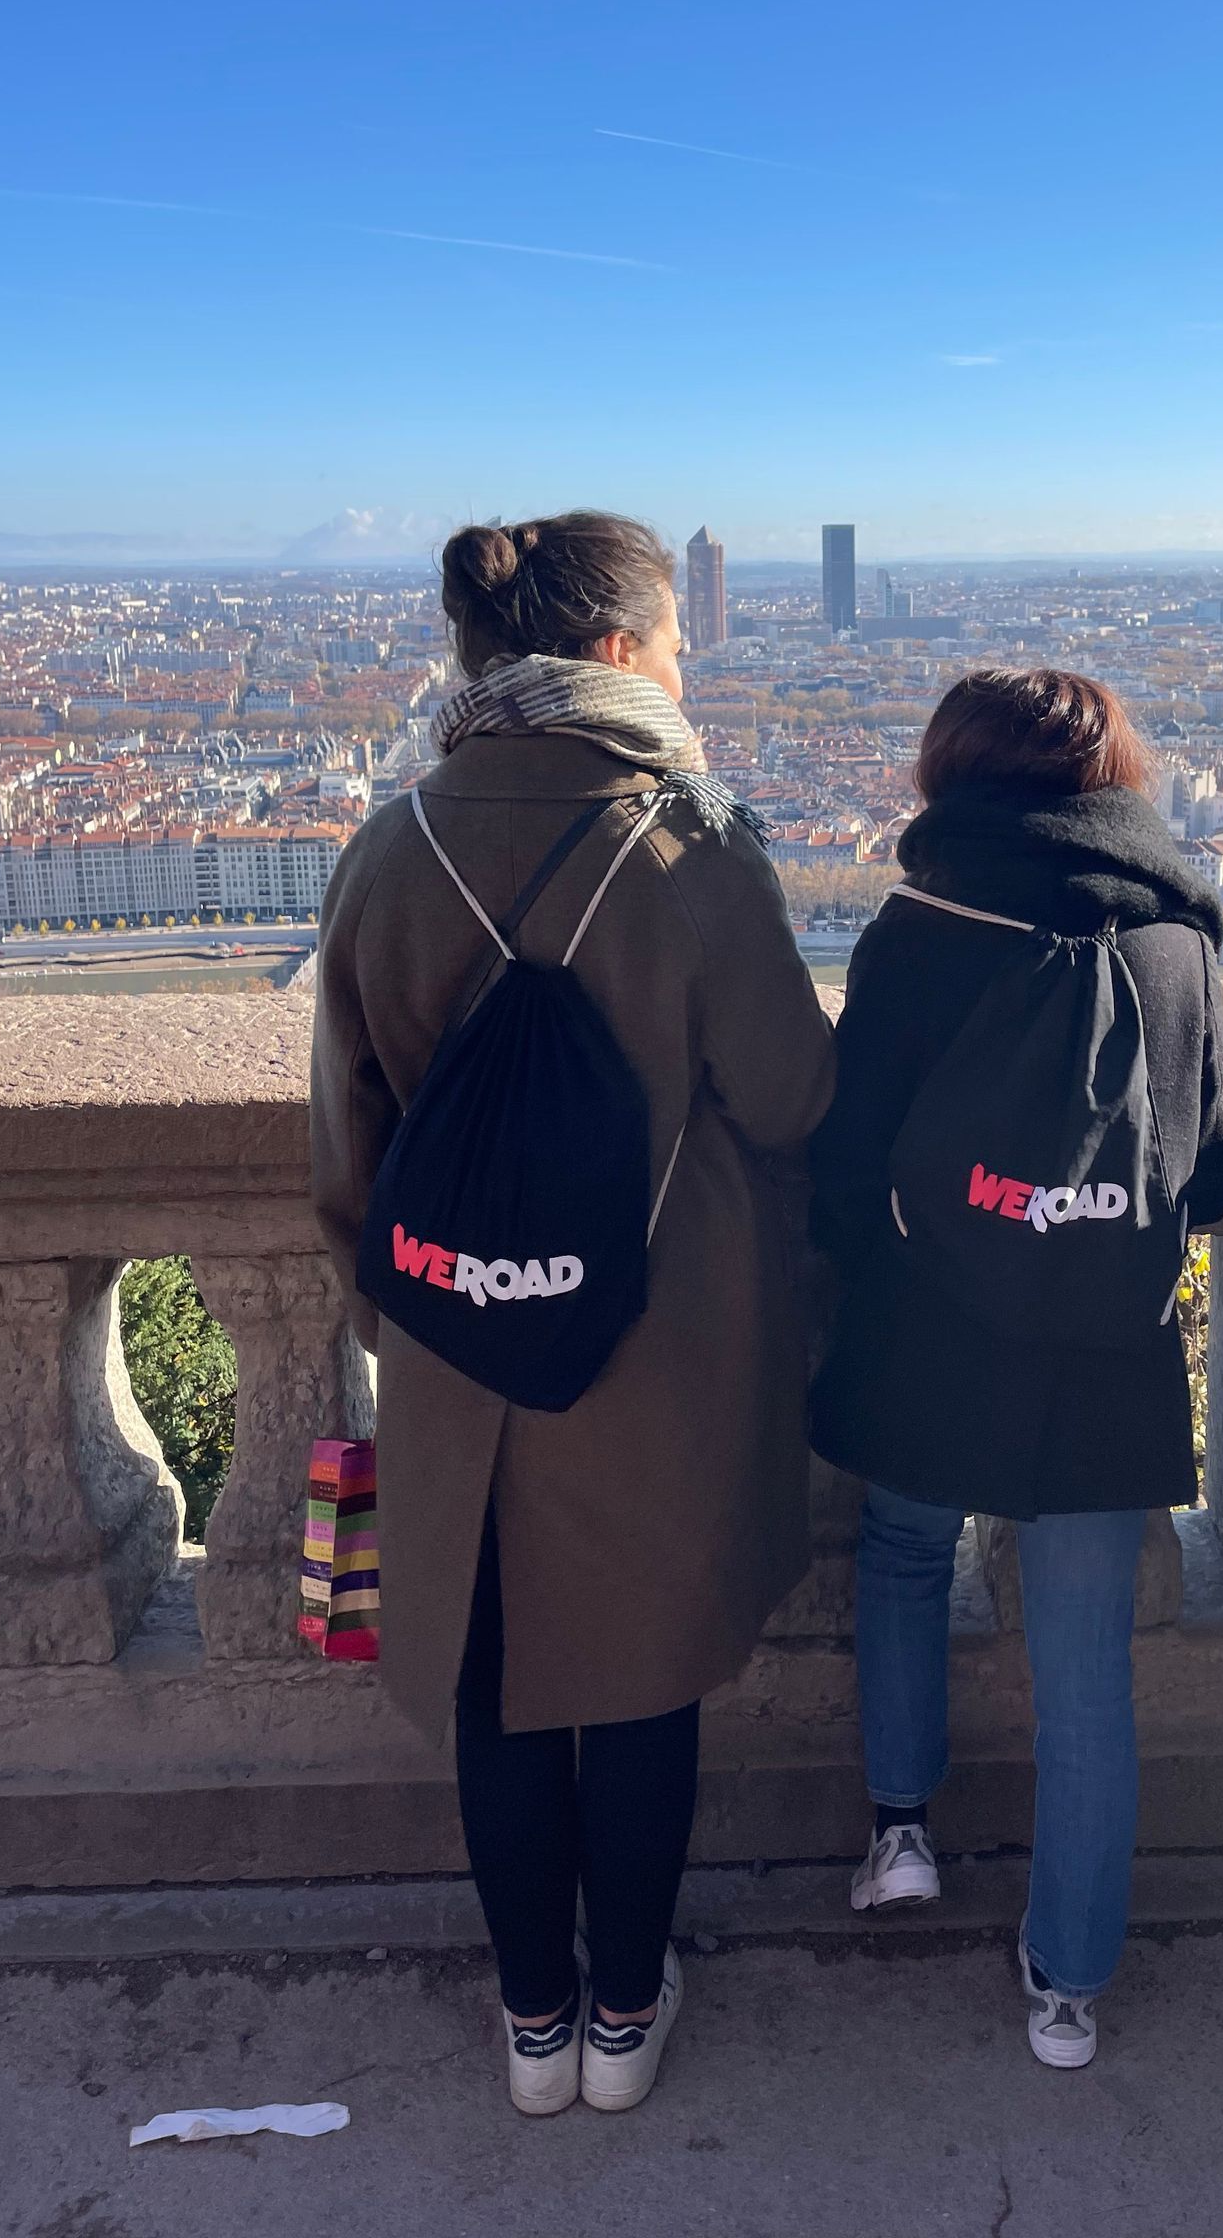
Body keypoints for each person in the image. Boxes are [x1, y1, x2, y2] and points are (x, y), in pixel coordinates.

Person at [311, 512, 833, 2116]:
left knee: (497, 1679)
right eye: (677, 642)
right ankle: (624, 2015)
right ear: (613, 656)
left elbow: (351, 1150)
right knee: (641, 1674)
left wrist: (430, 1306)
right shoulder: (694, 843)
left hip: (470, 1347)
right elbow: (794, 1093)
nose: (689, 667)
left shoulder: (392, 847)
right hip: (661, 1349)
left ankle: (534, 2023)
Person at [808, 667, 1223, 2069]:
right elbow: (1211, 1176)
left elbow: (844, 1157)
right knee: (1085, 1667)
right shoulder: (1181, 939)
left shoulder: (921, 925)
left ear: (954, 774)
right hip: (1104, 1346)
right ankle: (1069, 1984)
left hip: (935, 1323)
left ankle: (902, 1833)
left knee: (905, 1553)